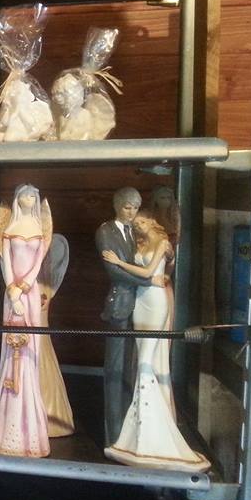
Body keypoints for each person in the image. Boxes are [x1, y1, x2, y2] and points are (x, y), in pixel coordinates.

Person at [102, 213, 209, 471]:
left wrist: (119, 263)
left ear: (152, 222)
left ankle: (154, 426)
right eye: (136, 223)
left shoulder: (162, 243)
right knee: (141, 359)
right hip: (140, 301)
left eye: (142, 222)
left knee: (146, 362)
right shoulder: (140, 245)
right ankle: (136, 431)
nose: (139, 225)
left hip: (156, 300)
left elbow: (149, 272)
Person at [95, 188, 167, 444]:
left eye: (136, 207)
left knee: (135, 364)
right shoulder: (106, 231)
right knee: (115, 368)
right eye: (127, 207)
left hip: (144, 303)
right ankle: (114, 434)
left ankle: (134, 428)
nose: (132, 212)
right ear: (117, 205)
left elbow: (149, 260)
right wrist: (148, 282)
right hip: (122, 302)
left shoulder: (137, 231)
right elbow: (114, 272)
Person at [0, 184, 51, 457]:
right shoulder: (10, 227)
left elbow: (37, 264)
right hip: (12, 294)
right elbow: (7, 262)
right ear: (17, 199)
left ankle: (29, 420)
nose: (29, 199)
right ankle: (7, 417)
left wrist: (23, 288)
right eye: (25, 195)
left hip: (29, 293)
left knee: (29, 349)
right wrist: (12, 290)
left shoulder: (38, 227)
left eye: (33, 195)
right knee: (12, 349)